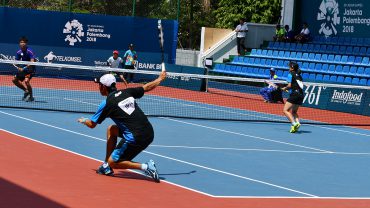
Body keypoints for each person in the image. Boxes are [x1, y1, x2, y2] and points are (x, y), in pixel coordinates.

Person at [77, 70, 167, 183]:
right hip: (149, 132)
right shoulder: (126, 92)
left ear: (104, 87)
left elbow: (92, 124)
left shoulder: (107, 104)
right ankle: (106, 166)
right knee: (112, 129)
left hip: (136, 137)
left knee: (113, 162)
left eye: (99, 85)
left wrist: (84, 120)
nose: (98, 87)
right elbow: (146, 87)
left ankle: (146, 166)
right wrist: (160, 79)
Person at [281, 62, 304, 133]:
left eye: (289, 67)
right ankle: (298, 123)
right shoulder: (299, 76)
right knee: (294, 112)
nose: (288, 68)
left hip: (295, 94)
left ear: (292, 68)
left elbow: (290, 85)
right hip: (301, 95)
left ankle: (294, 124)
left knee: (285, 110)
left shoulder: (291, 74)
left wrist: (285, 88)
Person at [12, 36, 36, 102]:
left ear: (26, 43)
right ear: (19, 43)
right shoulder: (19, 52)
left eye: (24, 42)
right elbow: (16, 62)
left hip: (30, 69)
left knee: (26, 81)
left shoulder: (30, 51)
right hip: (23, 69)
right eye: (21, 42)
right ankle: (26, 91)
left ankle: (31, 97)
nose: (22, 43)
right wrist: (15, 64)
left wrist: (23, 68)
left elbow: (32, 62)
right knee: (14, 80)